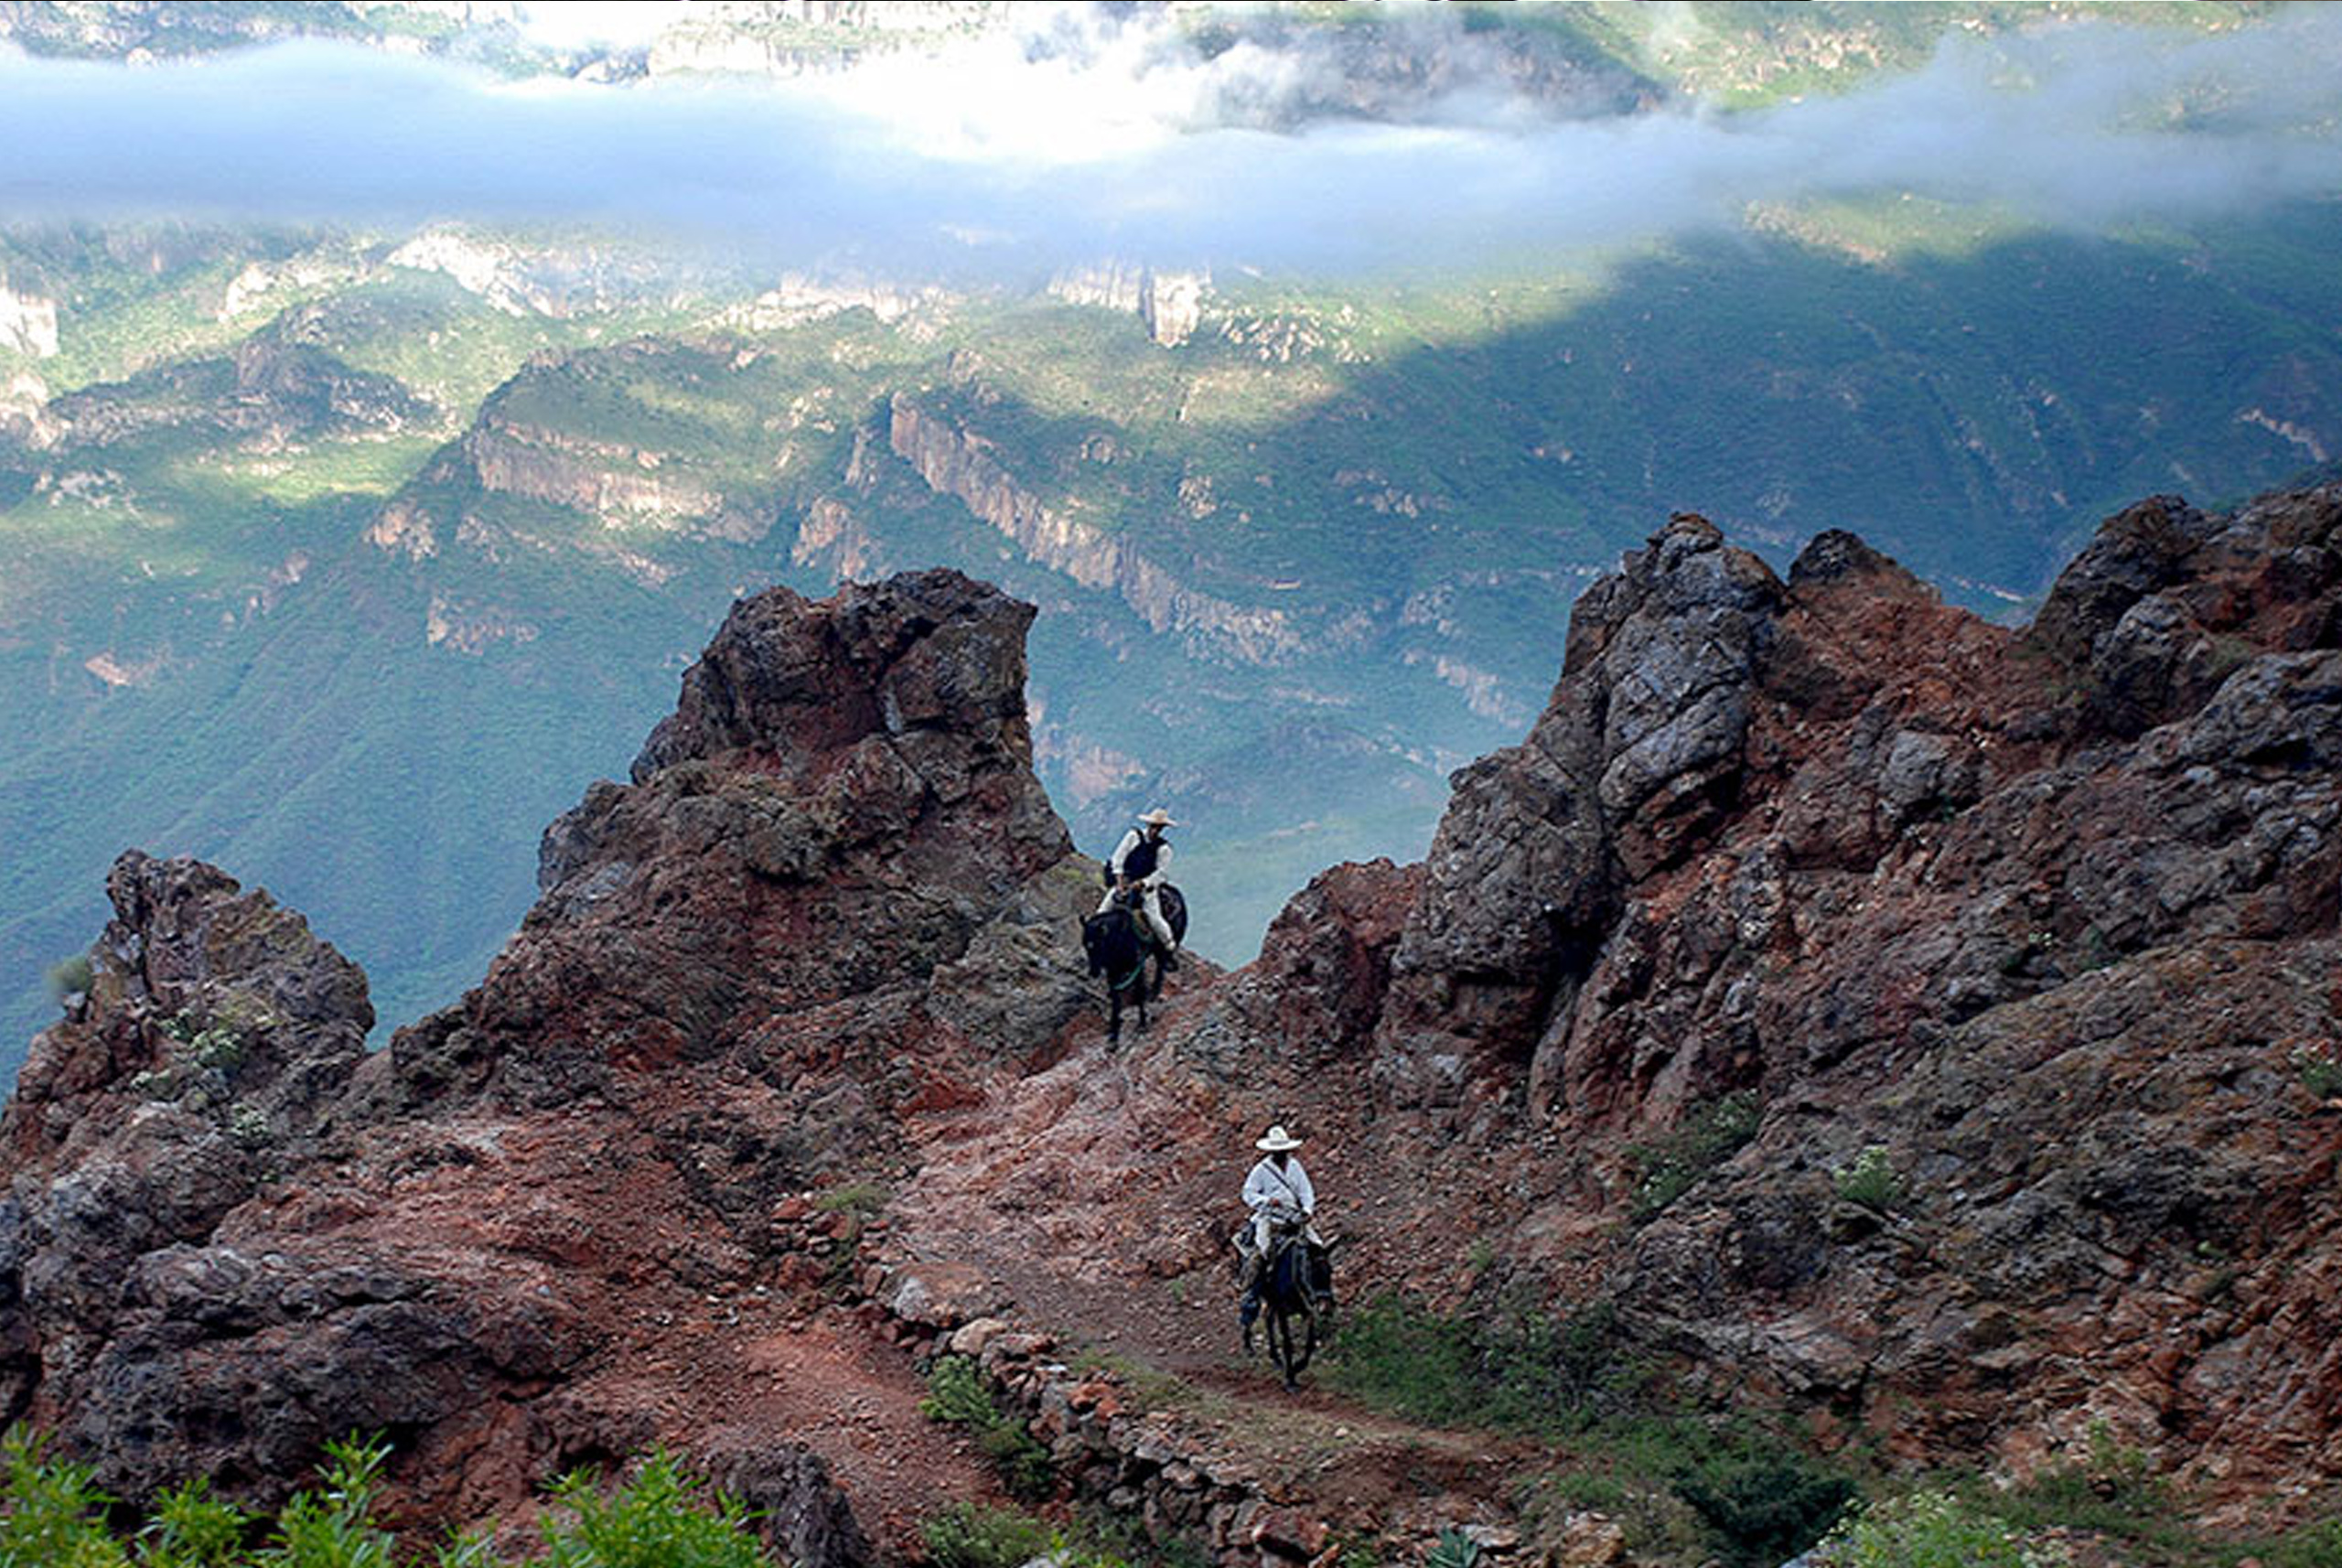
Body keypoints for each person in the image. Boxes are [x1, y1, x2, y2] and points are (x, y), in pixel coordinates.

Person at [1235, 1123, 1318, 1340]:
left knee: (1317, 1248)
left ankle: (1318, 1294)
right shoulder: (1261, 1170)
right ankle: (1252, 1296)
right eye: (1278, 1150)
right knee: (1262, 1253)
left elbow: (1306, 1191)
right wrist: (1265, 1200)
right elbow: (1248, 1193)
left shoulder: (1295, 1167)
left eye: (1284, 1150)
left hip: (1294, 1217)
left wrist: (1308, 1210)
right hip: (1269, 1220)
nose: (1281, 1153)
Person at [1097, 807, 1179, 968]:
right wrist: (1120, 880)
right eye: (1153, 826)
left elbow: (1161, 874)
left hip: (1145, 890)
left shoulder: (1164, 849)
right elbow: (1118, 858)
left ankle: (1169, 949)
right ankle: (1097, 950)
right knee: (1101, 913)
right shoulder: (1133, 836)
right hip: (1124, 883)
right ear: (1149, 825)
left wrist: (1143, 883)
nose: (1155, 830)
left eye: (1159, 827)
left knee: (1155, 919)